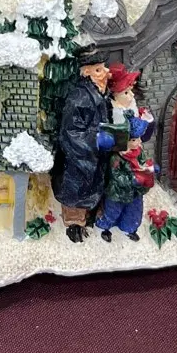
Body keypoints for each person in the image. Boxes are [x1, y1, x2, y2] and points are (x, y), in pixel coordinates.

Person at [51, 46, 112, 243]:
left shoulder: (101, 93)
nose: (106, 73)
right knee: (77, 194)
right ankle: (74, 225)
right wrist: (96, 138)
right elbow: (70, 133)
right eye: (98, 70)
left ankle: (89, 216)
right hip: (78, 160)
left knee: (92, 188)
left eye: (104, 68)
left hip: (95, 156)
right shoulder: (79, 98)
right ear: (86, 73)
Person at [96, 65, 156, 242]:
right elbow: (115, 175)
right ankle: (105, 227)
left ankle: (129, 227)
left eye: (131, 92)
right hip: (119, 191)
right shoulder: (118, 157)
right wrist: (132, 179)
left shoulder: (137, 151)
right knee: (113, 209)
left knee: (134, 210)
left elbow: (144, 163)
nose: (131, 97)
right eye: (126, 93)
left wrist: (149, 171)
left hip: (134, 191)